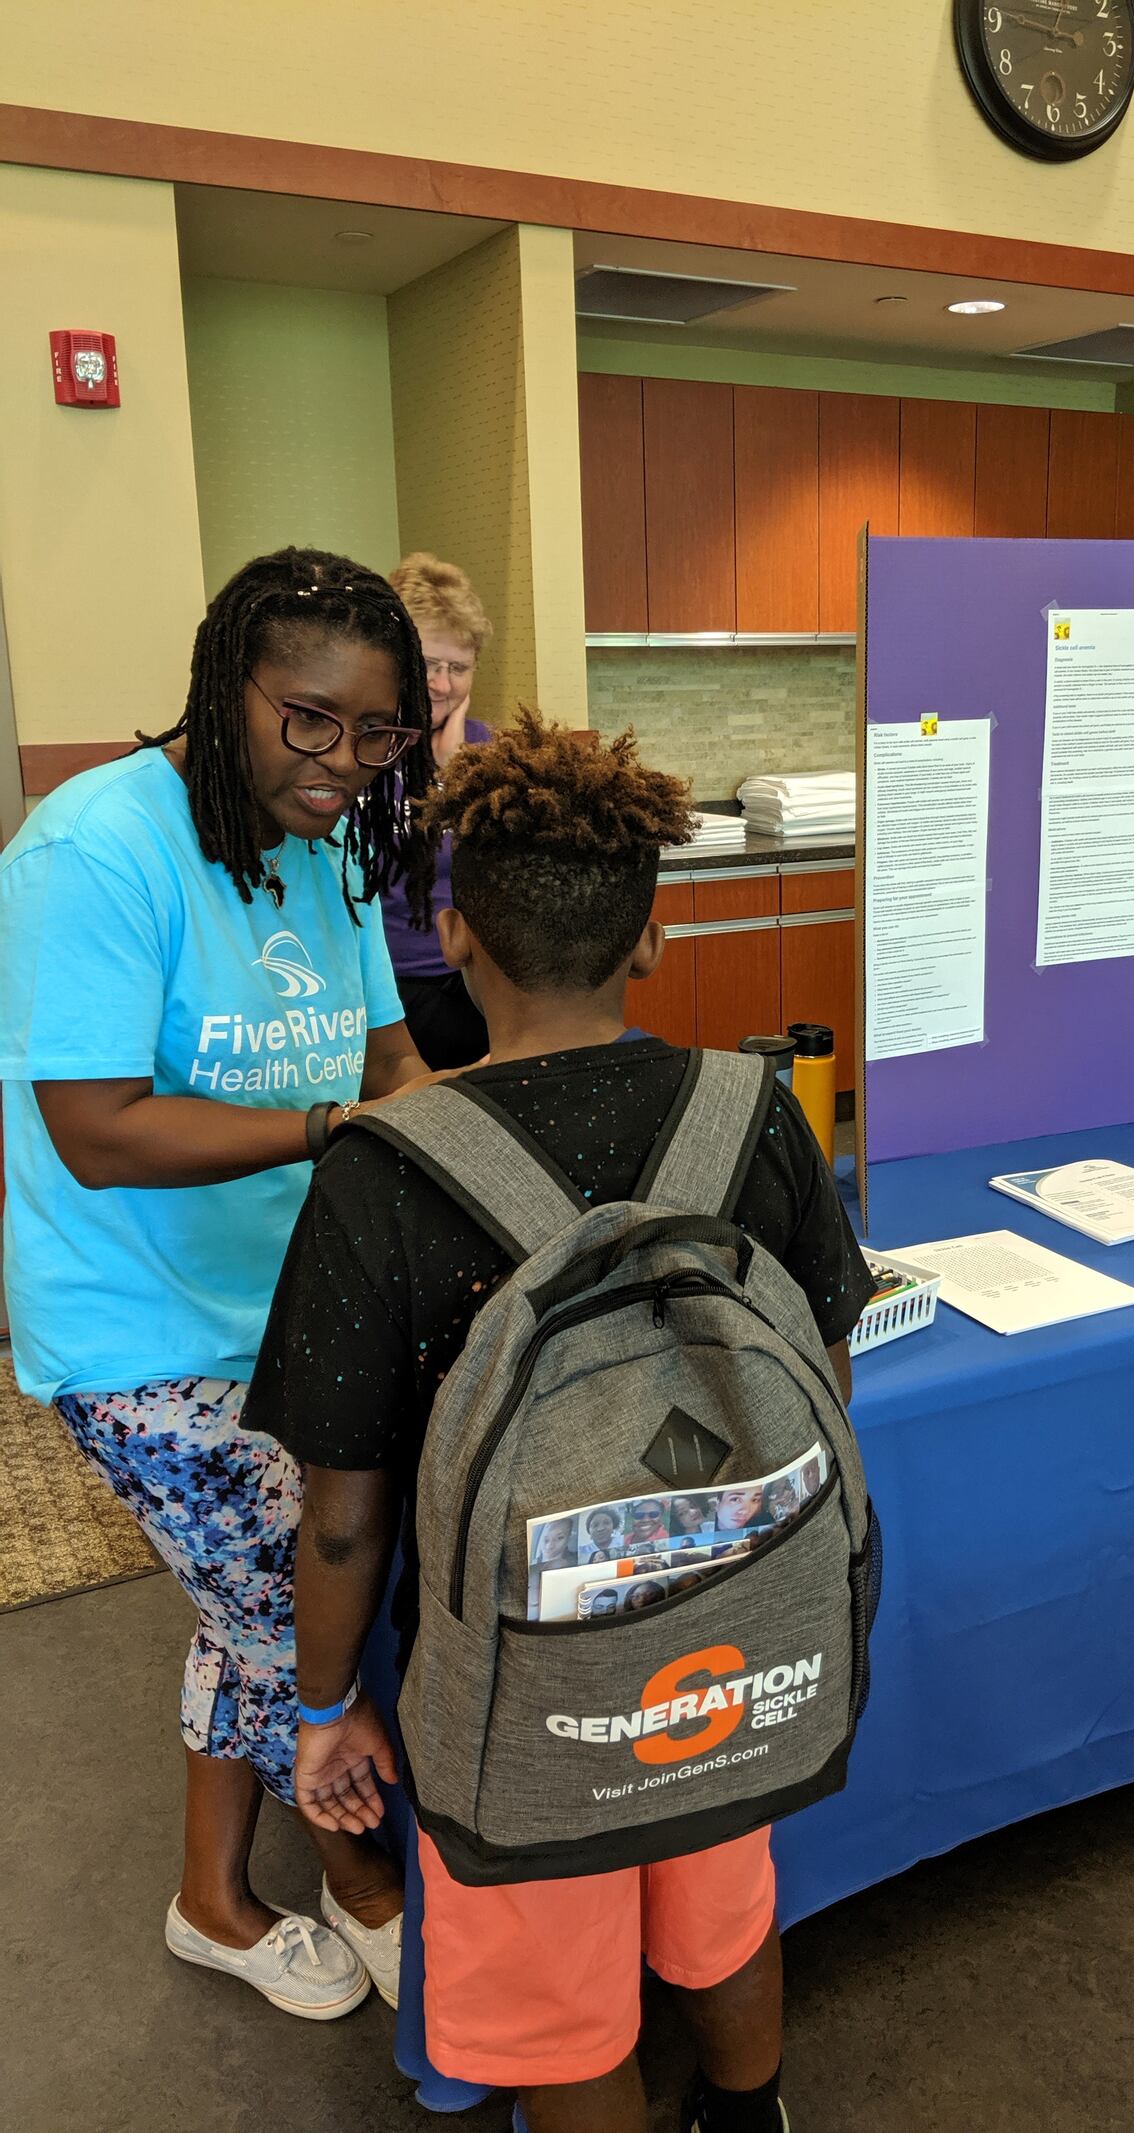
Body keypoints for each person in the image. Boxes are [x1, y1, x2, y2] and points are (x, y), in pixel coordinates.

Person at [248, 708, 876, 2133]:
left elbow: (344, 1517)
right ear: (654, 940)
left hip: (515, 1670)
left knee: (549, 1980)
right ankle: (748, 2111)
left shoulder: (380, 1173)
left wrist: (326, 1706)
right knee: (724, 1897)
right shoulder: (754, 1111)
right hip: (732, 1628)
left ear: (456, 935)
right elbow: (824, 1374)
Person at [0, 547, 438, 2018]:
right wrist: (332, 1131)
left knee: (242, 1608)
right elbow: (97, 1127)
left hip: (288, 1306)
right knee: (293, 1615)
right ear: (222, 683)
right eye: (309, 719)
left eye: (379, 734)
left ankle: (211, 1900)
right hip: (134, 1330)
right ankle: (375, 1893)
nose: (343, 764)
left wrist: (457, 1142)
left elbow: (390, 1061)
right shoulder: (93, 854)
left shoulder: (326, 846)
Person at [380, 553, 494, 1069]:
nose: (443, 685)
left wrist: (455, 774)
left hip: (474, 982)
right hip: (383, 989)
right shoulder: (355, 750)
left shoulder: (487, 753)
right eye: (427, 664)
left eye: (458, 668)